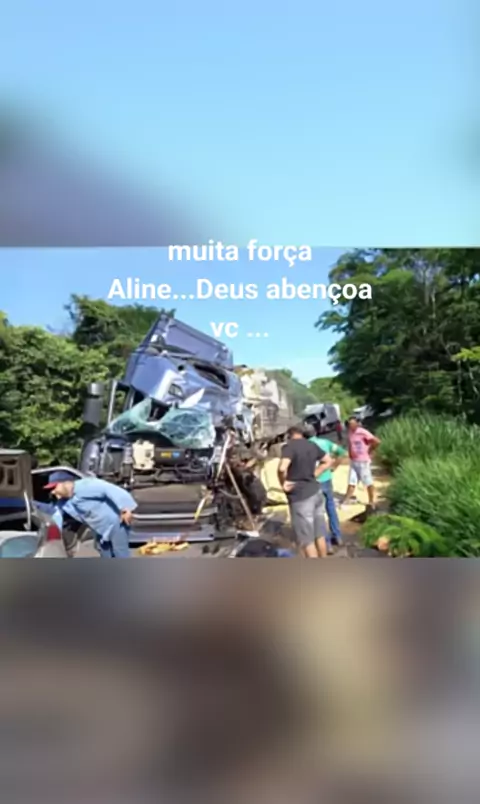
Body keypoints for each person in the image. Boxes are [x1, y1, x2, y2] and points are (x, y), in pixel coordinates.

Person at [44, 471, 137, 558]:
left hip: (116, 523)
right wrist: (54, 537)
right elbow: (57, 516)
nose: (53, 491)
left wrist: (125, 508)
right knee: (105, 554)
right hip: (100, 530)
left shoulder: (85, 486)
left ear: (65, 483)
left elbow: (108, 489)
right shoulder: (63, 503)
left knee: (120, 553)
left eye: (54, 487)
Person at [277, 425, 334, 558]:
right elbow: (328, 461)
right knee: (319, 534)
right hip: (316, 492)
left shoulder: (289, 447)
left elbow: (281, 468)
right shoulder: (311, 445)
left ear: (289, 435)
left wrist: (283, 483)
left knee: (306, 540)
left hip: (301, 497)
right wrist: (315, 474)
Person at [308, 426, 347, 551]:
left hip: (313, 482)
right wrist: (334, 466)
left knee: (318, 514)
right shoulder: (325, 442)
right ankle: (337, 536)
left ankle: (327, 544)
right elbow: (342, 452)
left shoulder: (305, 446)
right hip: (327, 479)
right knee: (331, 508)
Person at [343, 416, 381, 512]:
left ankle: (371, 501)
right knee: (351, 481)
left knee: (368, 482)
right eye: (349, 424)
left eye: (352, 424)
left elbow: (377, 441)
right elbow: (350, 444)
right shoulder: (350, 432)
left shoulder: (363, 432)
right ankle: (346, 500)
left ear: (357, 424)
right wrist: (350, 454)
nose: (351, 426)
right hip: (354, 461)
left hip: (363, 461)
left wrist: (370, 450)